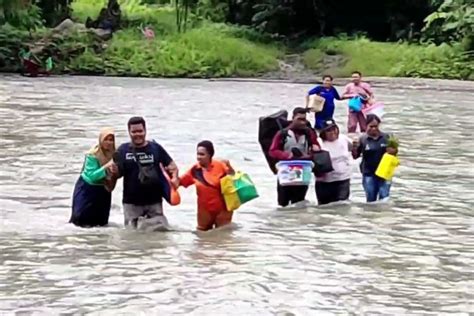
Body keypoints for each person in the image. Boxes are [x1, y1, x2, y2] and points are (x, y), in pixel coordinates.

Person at [113, 116, 179, 228]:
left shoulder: (156, 148)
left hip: (154, 202)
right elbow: (118, 174)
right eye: (134, 131)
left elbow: (172, 166)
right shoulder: (122, 150)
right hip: (131, 203)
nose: (137, 134)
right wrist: (113, 172)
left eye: (140, 131)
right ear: (129, 132)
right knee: (132, 237)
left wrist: (175, 178)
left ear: (145, 131)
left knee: (160, 234)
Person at [174, 141, 235, 231]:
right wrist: (171, 175)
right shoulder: (195, 170)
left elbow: (234, 179)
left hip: (223, 209)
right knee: (202, 238)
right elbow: (179, 182)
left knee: (223, 237)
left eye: (202, 154)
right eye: (198, 154)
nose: (198, 157)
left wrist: (230, 167)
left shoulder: (221, 166)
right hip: (204, 211)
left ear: (210, 155)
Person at [269, 107, 320, 207]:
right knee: (283, 203)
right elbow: (272, 151)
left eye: (304, 119)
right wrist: (287, 155)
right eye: (299, 119)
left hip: (303, 171)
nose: (302, 122)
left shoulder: (309, 133)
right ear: (293, 118)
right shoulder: (282, 134)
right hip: (285, 171)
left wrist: (314, 150)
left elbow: (316, 147)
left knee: (299, 202)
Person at [70, 127, 117, 227]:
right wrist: (107, 166)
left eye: (111, 140)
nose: (109, 142)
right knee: (81, 221)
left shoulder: (115, 154)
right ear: (101, 140)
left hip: (103, 190)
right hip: (87, 189)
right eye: (106, 139)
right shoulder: (93, 155)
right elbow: (92, 176)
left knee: (101, 223)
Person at [352, 114, 397, 202]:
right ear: (366, 125)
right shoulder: (362, 139)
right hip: (369, 173)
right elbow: (355, 156)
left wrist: (393, 151)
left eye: (376, 126)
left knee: (384, 197)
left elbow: (394, 154)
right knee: (371, 199)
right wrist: (354, 148)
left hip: (385, 172)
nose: (373, 129)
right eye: (371, 126)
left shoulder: (387, 137)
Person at [316, 119, 352, 205]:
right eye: (328, 130)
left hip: (343, 179)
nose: (332, 132)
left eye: (334, 129)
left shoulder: (344, 139)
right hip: (324, 182)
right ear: (323, 133)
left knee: (342, 205)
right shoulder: (319, 143)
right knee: (324, 207)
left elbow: (354, 150)